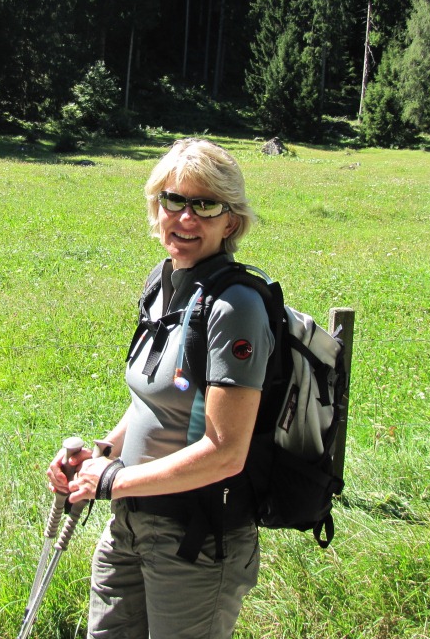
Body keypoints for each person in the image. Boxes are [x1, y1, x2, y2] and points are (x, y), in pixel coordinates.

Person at [47, 138, 274, 639]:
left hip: (196, 537)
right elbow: (155, 401)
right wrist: (101, 454)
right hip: (129, 521)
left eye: (205, 204)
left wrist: (113, 480)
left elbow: (226, 451)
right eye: (174, 200)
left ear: (230, 222)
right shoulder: (163, 282)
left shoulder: (235, 307)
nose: (186, 217)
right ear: (157, 206)